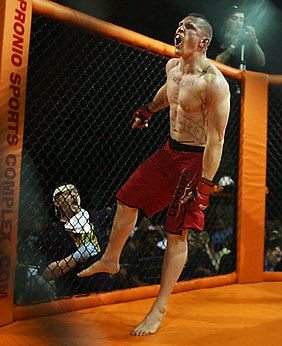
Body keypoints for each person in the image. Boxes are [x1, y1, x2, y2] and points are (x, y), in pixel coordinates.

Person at [78, 13, 231, 336]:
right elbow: (169, 94)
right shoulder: (173, 68)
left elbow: (216, 141)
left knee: (176, 233)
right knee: (126, 199)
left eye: (187, 28)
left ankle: (159, 308)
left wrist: (204, 187)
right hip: (168, 151)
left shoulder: (214, 83)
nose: (178, 31)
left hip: (194, 160)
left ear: (203, 42)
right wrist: (148, 110)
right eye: (177, 26)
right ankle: (110, 259)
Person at [38, 184, 114, 297]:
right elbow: (47, 273)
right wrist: (75, 257)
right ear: (57, 203)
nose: (73, 195)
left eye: (75, 192)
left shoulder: (93, 217)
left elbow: (119, 216)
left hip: (104, 290)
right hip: (73, 295)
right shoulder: (53, 233)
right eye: (67, 193)